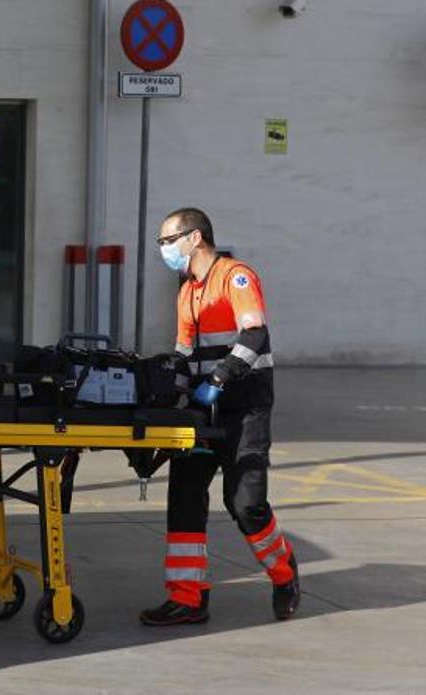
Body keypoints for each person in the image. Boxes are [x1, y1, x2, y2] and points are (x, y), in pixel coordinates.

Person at [140, 207, 301, 626]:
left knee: (245, 504)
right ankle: (187, 598)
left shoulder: (236, 277)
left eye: (167, 240)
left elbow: (255, 332)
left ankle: (284, 572)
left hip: (244, 405)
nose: (163, 249)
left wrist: (219, 377)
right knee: (185, 497)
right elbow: (183, 353)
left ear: (194, 238)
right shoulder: (187, 291)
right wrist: (163, 387)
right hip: (201, 410)